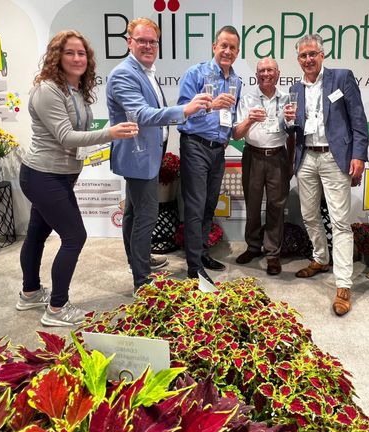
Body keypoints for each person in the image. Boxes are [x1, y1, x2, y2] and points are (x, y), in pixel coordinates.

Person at [17, 30, 138, 326]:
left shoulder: (75, 89)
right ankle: (57, 308)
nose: (76, 58)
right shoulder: (48, 90)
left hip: (58, 175)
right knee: (75, 237)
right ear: (56, 56)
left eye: (81, 53)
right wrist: (110, 133)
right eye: (69, 52)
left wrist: (100, 144)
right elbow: (66, 136)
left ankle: (30, 293)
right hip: (44, 175)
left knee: (37, 233)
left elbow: (77, 135)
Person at [106, 18, 212, 292]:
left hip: (146, 155)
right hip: (138, 156)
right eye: (142, 40)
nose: (148, 46)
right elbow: (141, 115)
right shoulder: (124, 74)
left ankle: (137, 260)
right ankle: (142, 281)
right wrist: (185, 110)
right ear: (129, 42)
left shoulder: (145, 71)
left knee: (133, 213)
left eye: (153, 41)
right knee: (146, 217)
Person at [287, 34, 368, 316]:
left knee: (340, 222)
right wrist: (287, 121)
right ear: (298, 59)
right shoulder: (295, 89)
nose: (308, 59)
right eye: (303, 55)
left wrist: (359, 155)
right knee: (309, 215)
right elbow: (293, 128)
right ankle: (321, 259)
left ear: (322, 55)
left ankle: (343, 284)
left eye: (313, 54)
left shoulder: (342, 78)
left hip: (335, 156)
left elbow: (358, 119)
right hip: (307, 156)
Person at [177, 25, 241, 283]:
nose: (227, 51)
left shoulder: (236, 81)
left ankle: (201, 253)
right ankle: (193, 267)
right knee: (195, 206)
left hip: (218, 150)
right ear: (214, 46)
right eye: (223, 45)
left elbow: (231, 118)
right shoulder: (196, 73)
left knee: (209, 204)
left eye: (232, 47)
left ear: (237, 52)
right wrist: (210, 105)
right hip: (195, 145)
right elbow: (182, 111)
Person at [232, 57, 294, 275]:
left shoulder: (287, 99)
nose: (266, 74)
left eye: (270, 70)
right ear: (256, 75)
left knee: (277, 206)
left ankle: (272, 253)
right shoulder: (247, 99)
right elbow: (236, 134)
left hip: (278, 157)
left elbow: (293, 134)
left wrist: (291, 161)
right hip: (253, 156)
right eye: (262, 71)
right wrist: (249, 120)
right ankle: (252, 246)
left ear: (278, 74)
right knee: (253, 204)